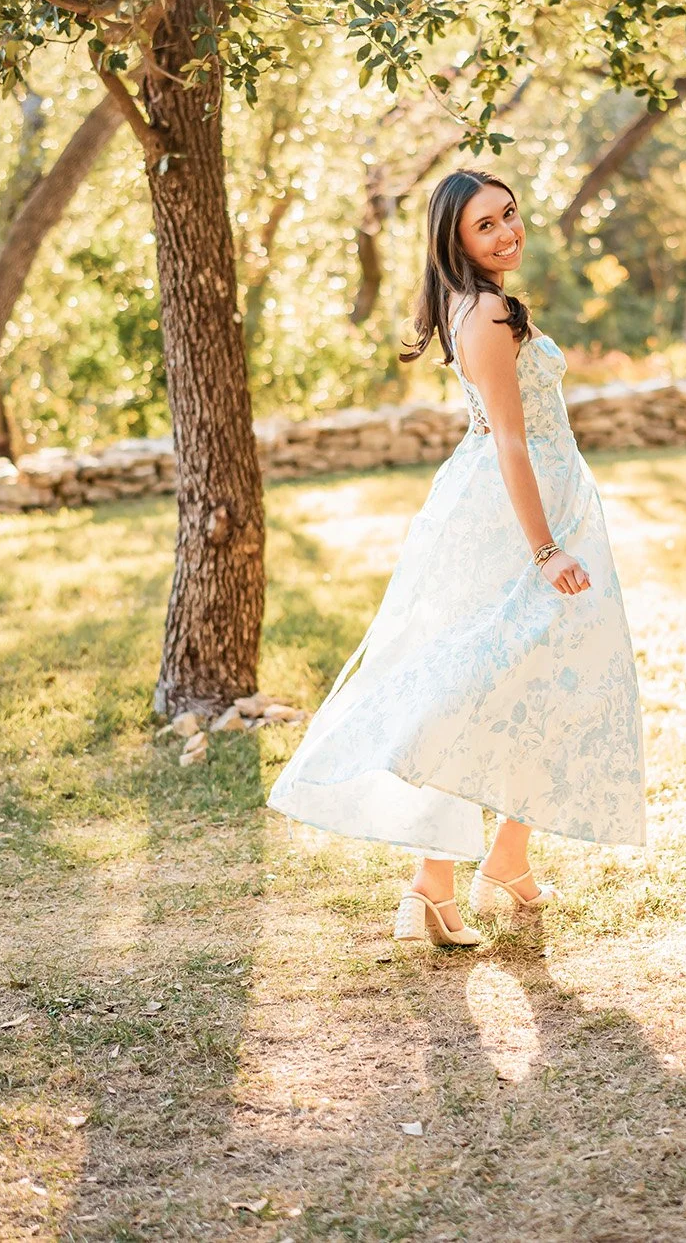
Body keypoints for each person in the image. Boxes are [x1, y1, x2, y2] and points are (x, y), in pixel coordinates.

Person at [267, 168, 644, 946]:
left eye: (511, 215)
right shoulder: (487, 312)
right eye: (486, 226)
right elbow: (510, 438)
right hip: (512, 514)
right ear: (456, 240)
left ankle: (488, 864)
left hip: (528, 497)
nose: (507, 233)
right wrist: (544, 548)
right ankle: (439, 878)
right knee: (489, 681)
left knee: (538, 678)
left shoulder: (472, 301)